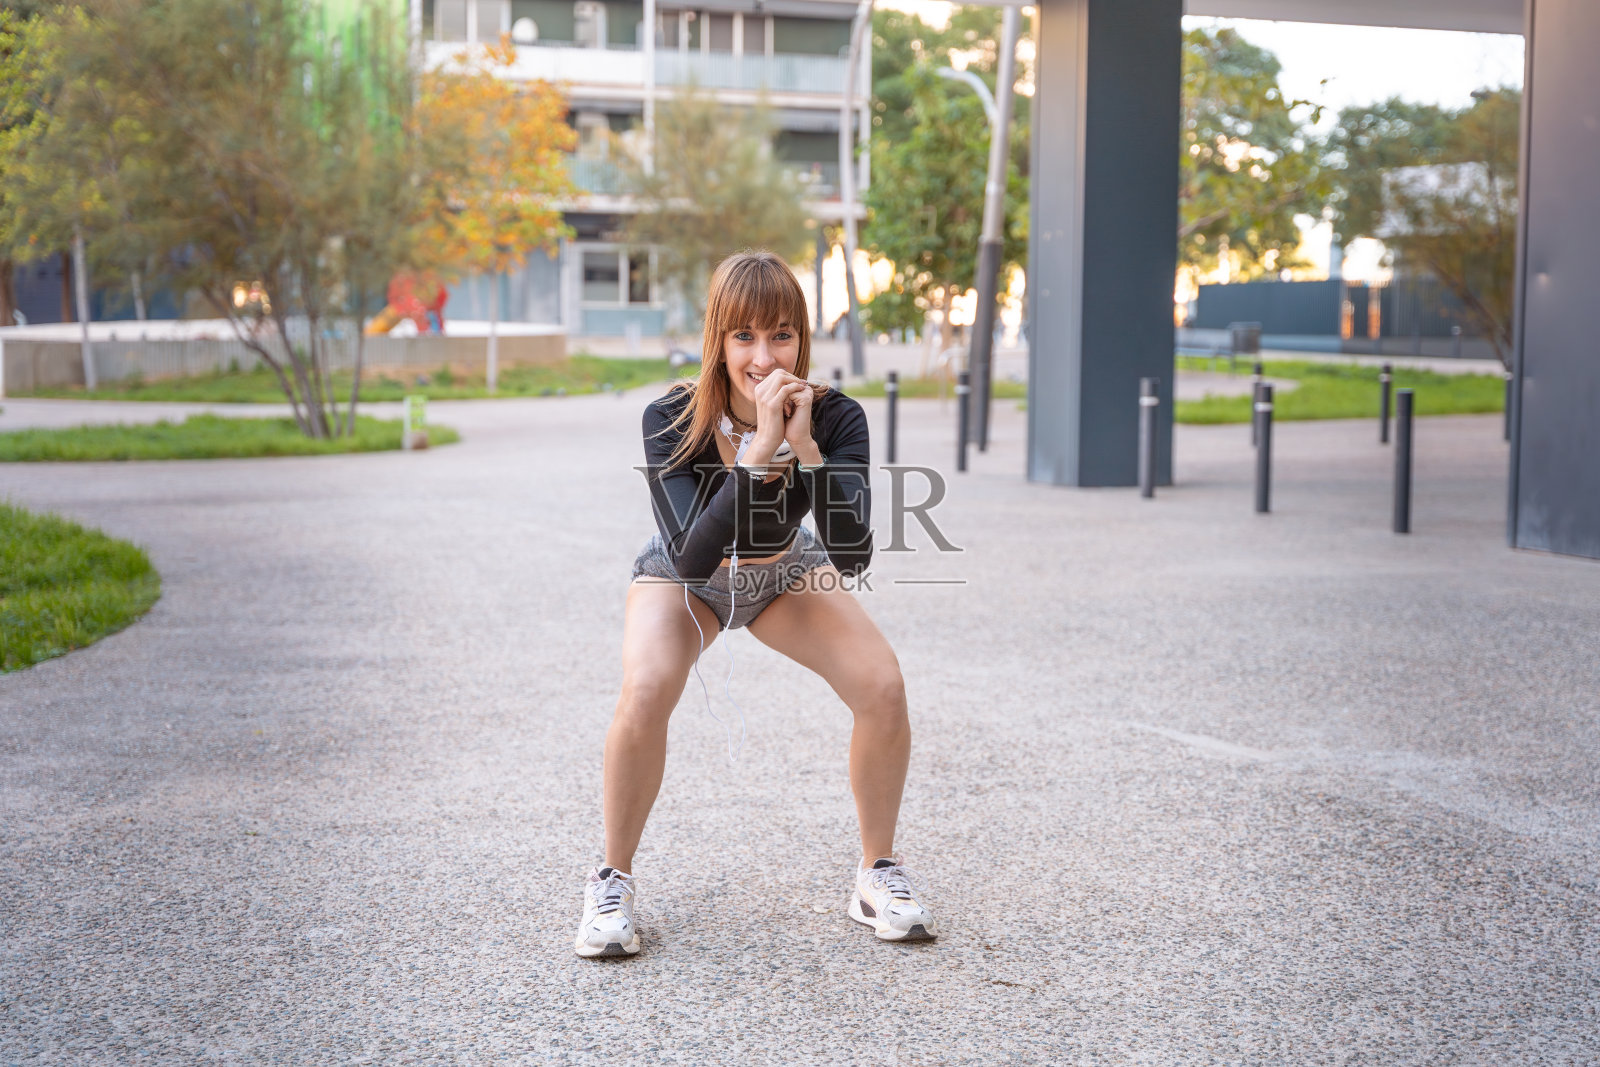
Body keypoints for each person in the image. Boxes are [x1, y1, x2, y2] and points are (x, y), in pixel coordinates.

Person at [573, 250, 937, 958]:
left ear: (803, 337)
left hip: (784, 572)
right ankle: (610, 881)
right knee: (646, 688)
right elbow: (690, 558)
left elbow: (854, 554)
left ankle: (876, 872)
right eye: (744, 336)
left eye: (781, 334)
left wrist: (801, 447)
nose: (765, 356)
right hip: (686, 580)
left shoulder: (836, 419)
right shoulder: (669, 416)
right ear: (718, 339)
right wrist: (755, 454)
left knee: (883, 686)